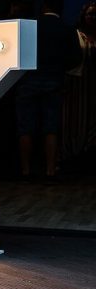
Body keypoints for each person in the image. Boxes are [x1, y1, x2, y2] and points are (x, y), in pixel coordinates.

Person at [15, 0, 82, 179]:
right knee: (51, 127)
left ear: (44, 6)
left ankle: (26, 170)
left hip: (28, 79)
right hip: (55, 79)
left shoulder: (30, 27)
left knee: (25, 127)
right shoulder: (67, 29)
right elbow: (76, 57)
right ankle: (50, 170)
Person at [63, 2, 96, 163]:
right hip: (77, 82)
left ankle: (88, 152)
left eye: (94, 14)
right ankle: (73, 153)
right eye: (89, 14)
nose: (91, 17)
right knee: (76, 118)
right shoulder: (76, 34)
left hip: (93, 83)